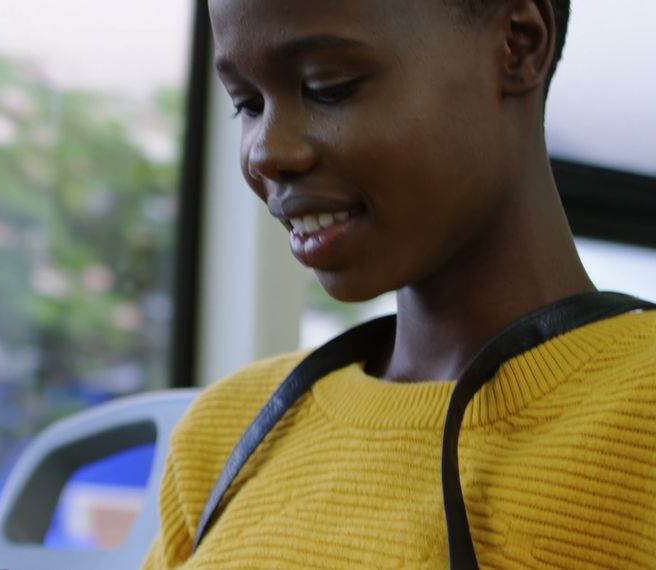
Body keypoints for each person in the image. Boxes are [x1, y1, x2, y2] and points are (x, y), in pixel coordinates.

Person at [143, 0, 656, 568]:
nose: (266, 152)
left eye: (327, 87)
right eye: (248, 104)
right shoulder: (224, 433)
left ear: (518, 45)